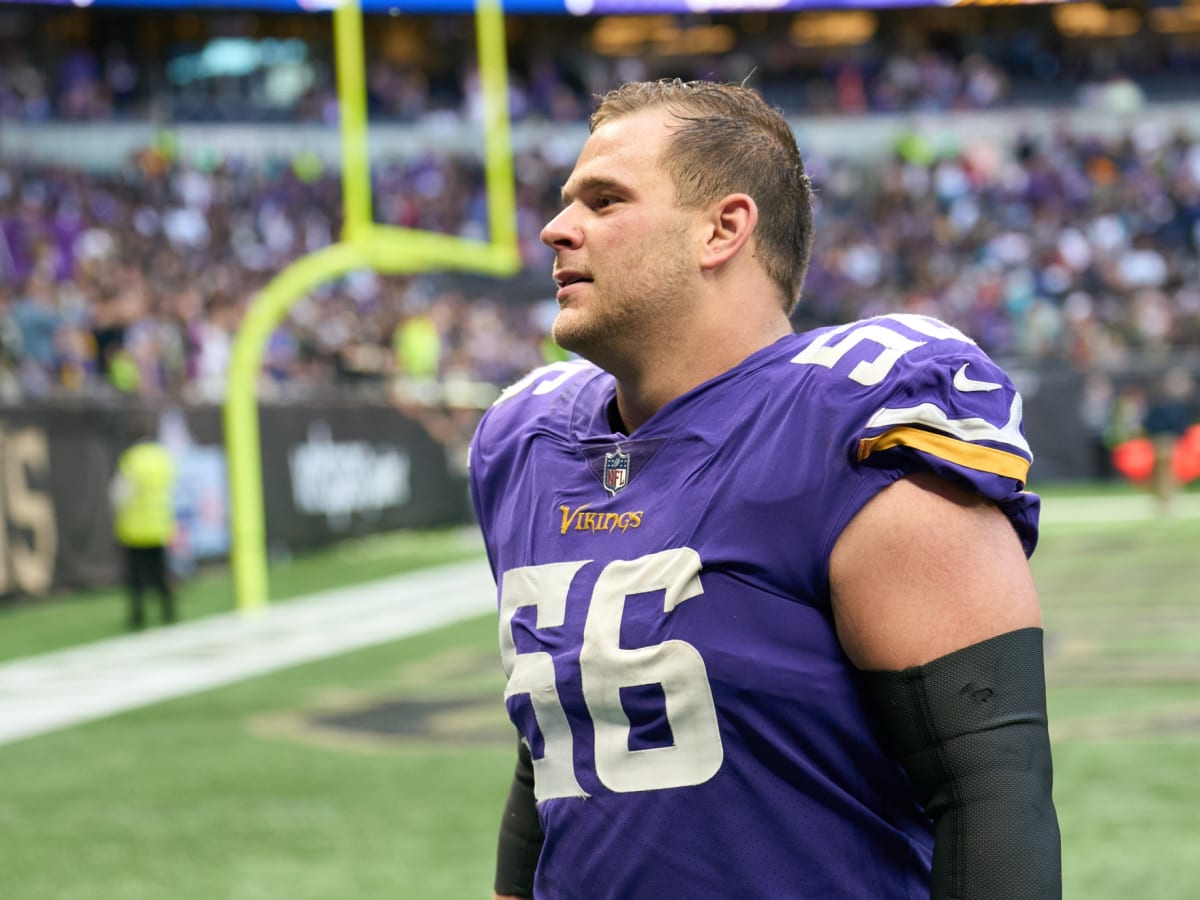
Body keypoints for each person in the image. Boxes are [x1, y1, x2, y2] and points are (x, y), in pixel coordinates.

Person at [469, 79, 1060, 900]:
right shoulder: (528, 442)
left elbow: (993, 791)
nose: (557, 227)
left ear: (723, 229)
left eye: (604, 201)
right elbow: (556, 749)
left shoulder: (850, 420)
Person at [110, 416, 178, 629]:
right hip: (159, 525)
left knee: (136, 576)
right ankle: (168, 610)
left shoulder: (131, 459)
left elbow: (119, 494)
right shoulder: (162, 457)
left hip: (135, 528)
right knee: (160, 572)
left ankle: (138, 617)